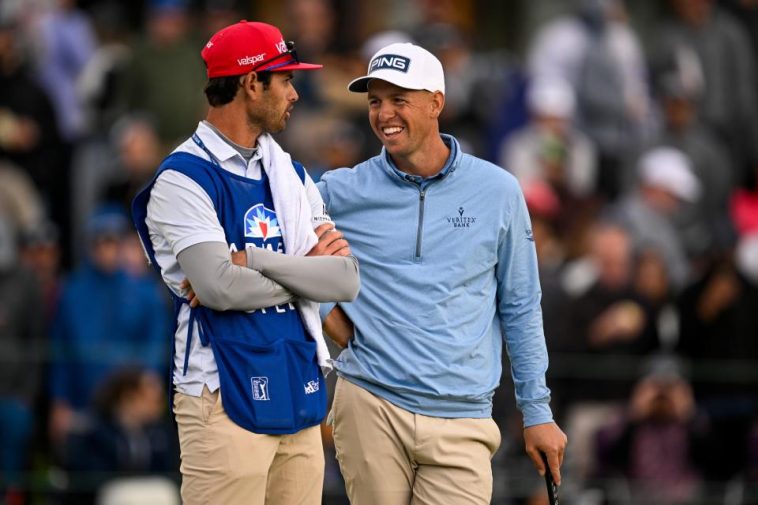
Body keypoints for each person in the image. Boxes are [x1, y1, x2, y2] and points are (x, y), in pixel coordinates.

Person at [317, 42, 567, 504]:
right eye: (375, 101)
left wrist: (537, 412)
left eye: (398, 100)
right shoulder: (338, 190)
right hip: (370, 402)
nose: (384, 114)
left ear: (436, 103)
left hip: (464, 416)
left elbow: (520, 306)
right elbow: (281, 241)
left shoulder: (498, 191)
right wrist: (328, 314)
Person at [130, 20, 360, 505]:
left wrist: (254, 261)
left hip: (296, 383)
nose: (296, 94)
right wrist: (304, 274)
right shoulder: (182, 178)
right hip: (219, 394)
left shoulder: (291, 172)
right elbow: (219, 290)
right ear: (252, 83)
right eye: (286, 80)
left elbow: (343, 278)